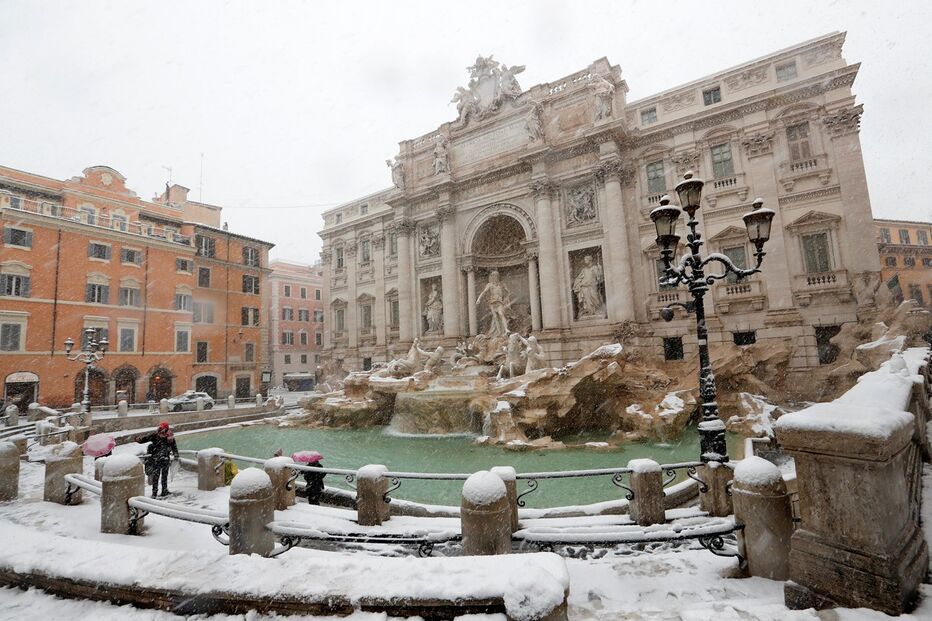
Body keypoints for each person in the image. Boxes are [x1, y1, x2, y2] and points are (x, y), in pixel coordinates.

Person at [136, 422, 179, 498]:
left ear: (166, 428)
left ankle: (164, 491)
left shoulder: (170, 436)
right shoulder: (156, 435)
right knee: (156, 476)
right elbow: (145, 439)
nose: (161, 429)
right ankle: (154, 492)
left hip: (165, 459)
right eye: (161, 427)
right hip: (157, 459)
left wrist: (176, 454)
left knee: (163, 476)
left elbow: (174, 447)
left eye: (163, 428)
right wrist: (139, 439)